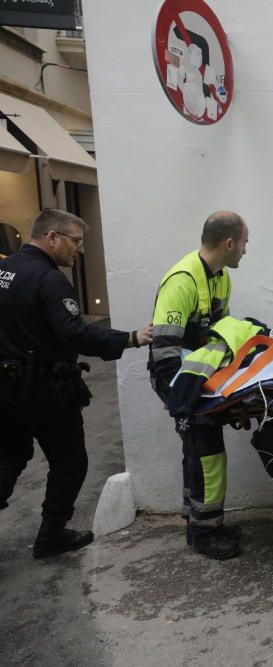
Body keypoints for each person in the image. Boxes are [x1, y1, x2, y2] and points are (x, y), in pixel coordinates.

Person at [0, 209, 152, 558]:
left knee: (8, 456)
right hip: (44, 392)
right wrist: (130, 338)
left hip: (5, 390)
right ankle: (52, 535)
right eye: (76, 241)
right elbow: (73, 333)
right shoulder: (49, 280)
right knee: (70, 462)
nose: (79, 250)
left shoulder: (4, 270)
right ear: (52, 237)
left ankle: (51, 533)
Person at [148, 211, 249, 560]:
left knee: (199, 446)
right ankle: (206, 532)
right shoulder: (183, 280)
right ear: (230, 242)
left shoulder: (220, 278)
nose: (245, 252)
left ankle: (200, 523)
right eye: (245, 244)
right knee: (204, 447)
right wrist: (180, 397)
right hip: (176, 375)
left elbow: (216, 334)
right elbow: (164, 351)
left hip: (199, 375)